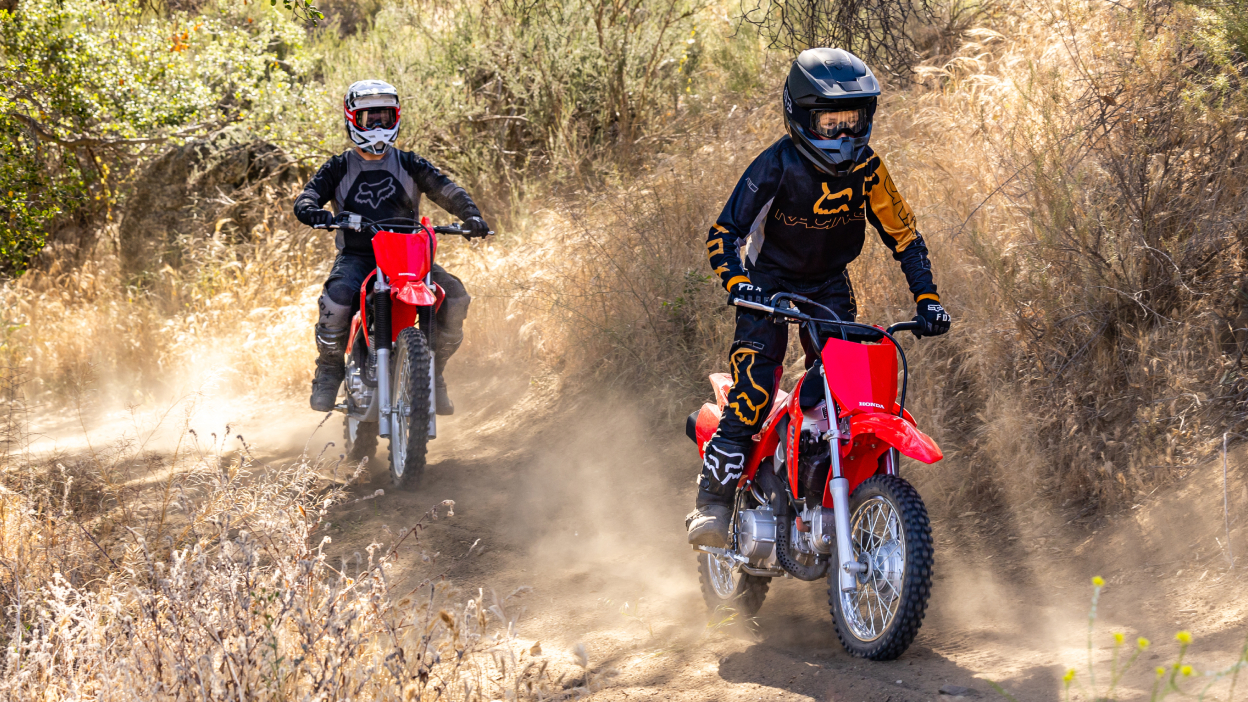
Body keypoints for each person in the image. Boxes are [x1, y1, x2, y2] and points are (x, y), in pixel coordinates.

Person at [685, 48, 952, 547]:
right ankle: (713, 505)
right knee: (756, 389)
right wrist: (738, 284)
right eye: (830, 122)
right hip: (768, 285)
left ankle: (818, 493)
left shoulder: (870, 170)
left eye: (853, 121)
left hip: (829, 284)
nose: (844, 134)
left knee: (844, 395)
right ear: (801, 116)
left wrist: (928, 298)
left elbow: (906, 236)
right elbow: (723, 233)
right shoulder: (775, 166)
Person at [294, 80, 491, 414]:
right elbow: (307, 197)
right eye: (370, 118)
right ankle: (329, 370)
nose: (379, 126)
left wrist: (470, 215)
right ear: (353, 120)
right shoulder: (339, 166)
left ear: (397, 117)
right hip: (359, 255)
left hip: (407, 253)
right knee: (337, 299)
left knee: (455, 298)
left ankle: (433, 375)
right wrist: (315, 212)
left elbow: (446, 189)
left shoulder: (410, 163)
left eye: (385, 117)